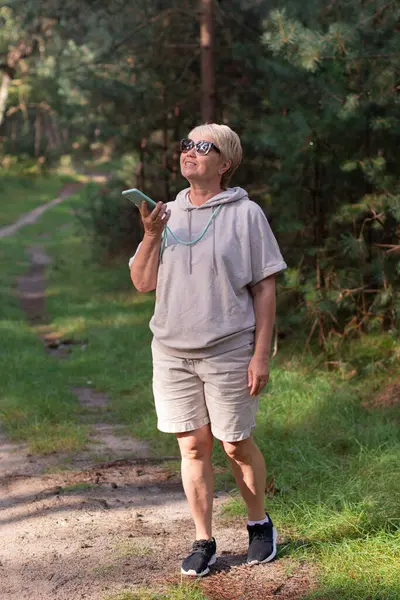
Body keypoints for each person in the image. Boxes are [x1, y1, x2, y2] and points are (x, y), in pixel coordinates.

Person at [129, 123, 287, 577]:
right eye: (186, 145)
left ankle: (259, 524)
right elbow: (142, 282)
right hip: (172, 351)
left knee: (234, 443)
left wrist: (261, 355)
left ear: (225, 162)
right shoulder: (165, 214)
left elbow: (265, 289)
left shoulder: (247, 214)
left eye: (204, 147)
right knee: (193, 447)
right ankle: (204, 540)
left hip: (229, 350)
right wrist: (151, 234)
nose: (190, 152)